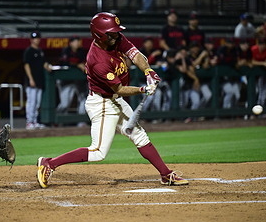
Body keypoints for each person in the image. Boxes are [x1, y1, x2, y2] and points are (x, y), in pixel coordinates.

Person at [36, 12, 188, 189]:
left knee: (138, 135)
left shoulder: (114, 38)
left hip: (115, 99)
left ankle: (165, 174)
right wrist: (143, 89)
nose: (116, 35)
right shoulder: (97, 60)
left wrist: (148, 72)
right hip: (102, 103)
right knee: (98, 152)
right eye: (111, 33)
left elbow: (135, 54)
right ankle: (49, 163)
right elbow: (119, 89)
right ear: (100, 35)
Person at [23, 31, 52, 130]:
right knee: (31, 102)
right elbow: (26, 65)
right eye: (35, 38)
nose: (37, 40)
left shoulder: (40, 51)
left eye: (38, 38)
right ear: (31, 39)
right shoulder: (29, 51)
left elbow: (43, 63)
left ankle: (35, 121)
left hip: (39, 81)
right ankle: (29, 122)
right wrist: (30, 79)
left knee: (37, 103)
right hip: (32, 81)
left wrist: (48, 66)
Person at [56, 37, 87, 120]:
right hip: (65, 81)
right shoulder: (66, 51)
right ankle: (56, 119)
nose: (77, 43)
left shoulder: (81, 51)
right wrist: (77, 65)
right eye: (75, 41)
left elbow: (85, 63)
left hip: (78, 81)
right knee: (65, 104)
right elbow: (65, 63)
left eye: (78, 41)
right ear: (71, 43)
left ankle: (81, 121)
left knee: (83, 99)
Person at [217, 38, 241, 109]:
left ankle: (233, 111)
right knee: (230, 92)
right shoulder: (221, 50)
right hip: (223, 77)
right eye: (229, 43)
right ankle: (225, 110)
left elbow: (236, 61)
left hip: (233, 77)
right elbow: (222, 61)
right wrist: (233, 63)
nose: (231, 45)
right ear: (226, 43)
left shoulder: (235, 50)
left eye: (232, 43)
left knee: (237, 95)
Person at [251, 38, 266, 107]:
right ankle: (250, 109)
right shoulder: (253, 49)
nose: (262, 46)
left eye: (264, 44)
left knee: (262, 92)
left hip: (262, 74)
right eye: (261, 44)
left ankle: (261, 108)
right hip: (251, 75)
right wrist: (263, 63)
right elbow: (252, 61)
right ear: (258, 45)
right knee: (255, 91)